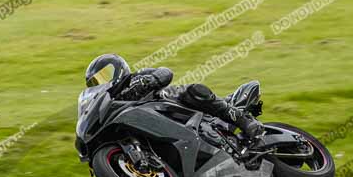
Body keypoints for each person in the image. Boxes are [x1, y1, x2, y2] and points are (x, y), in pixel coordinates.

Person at [84, 54, 264, 143]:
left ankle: (242, 119)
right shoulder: (111, 105)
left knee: (194, 91)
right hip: (158, 127)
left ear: (117, 68)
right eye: (96, 81)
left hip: (174, 105)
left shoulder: (136, 77)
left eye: (104, 75)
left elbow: (166, 72)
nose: (101, 82)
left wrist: (151, 80)